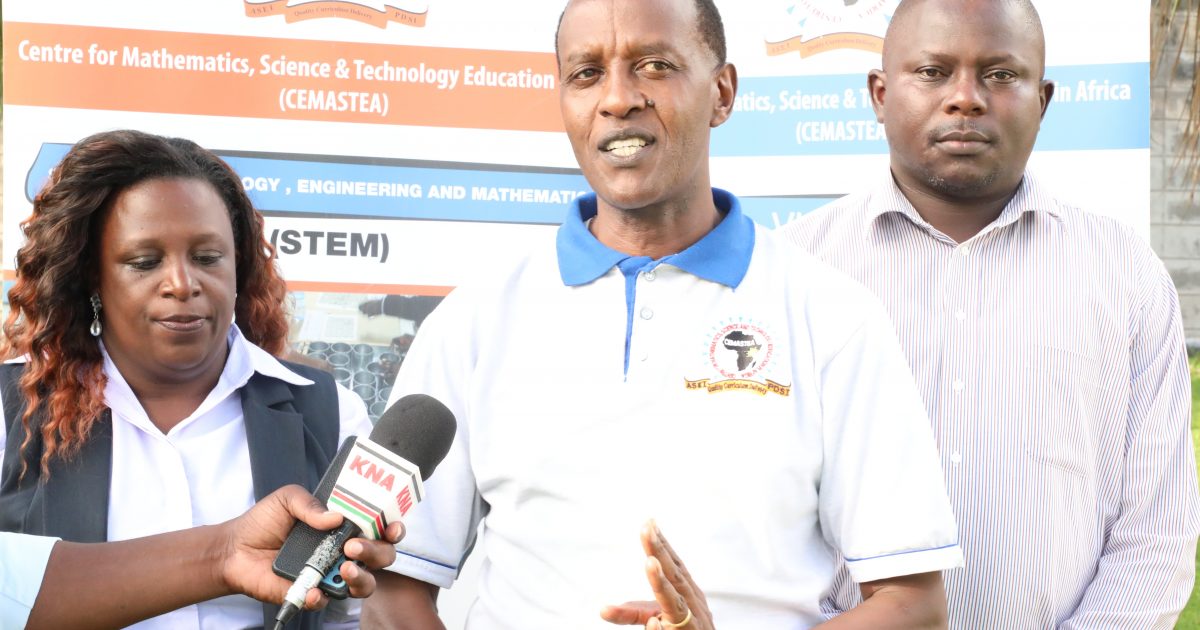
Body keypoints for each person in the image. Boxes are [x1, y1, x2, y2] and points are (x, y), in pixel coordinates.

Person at [363, 0, 963, 627]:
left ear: (721, 94)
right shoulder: (474, 321)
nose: (618, 99)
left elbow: (913, 605)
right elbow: (391, 585)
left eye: (654, 65)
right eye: (586, 74)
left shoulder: (833, 316)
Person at [781, 0, 1200, 627]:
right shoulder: (794, 272)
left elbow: (1156, 532)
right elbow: (757, 519)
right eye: (932, 72)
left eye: (1001, 75)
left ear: (1044, 100)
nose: (965, 99)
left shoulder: (1123, 274)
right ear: (879, 94)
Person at [0, 129, 374, 630]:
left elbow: (351, 617)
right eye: (144, 262)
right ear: (91, 276)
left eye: (207, 258)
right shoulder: (11, 409)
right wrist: (218, 556)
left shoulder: (330, 413)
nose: (182, 284)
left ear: (239, 264)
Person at [3, 484, 402, 630]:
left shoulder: (325, 401)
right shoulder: (12, 398)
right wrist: (223, 555)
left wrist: (230, 554)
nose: (182, 289)